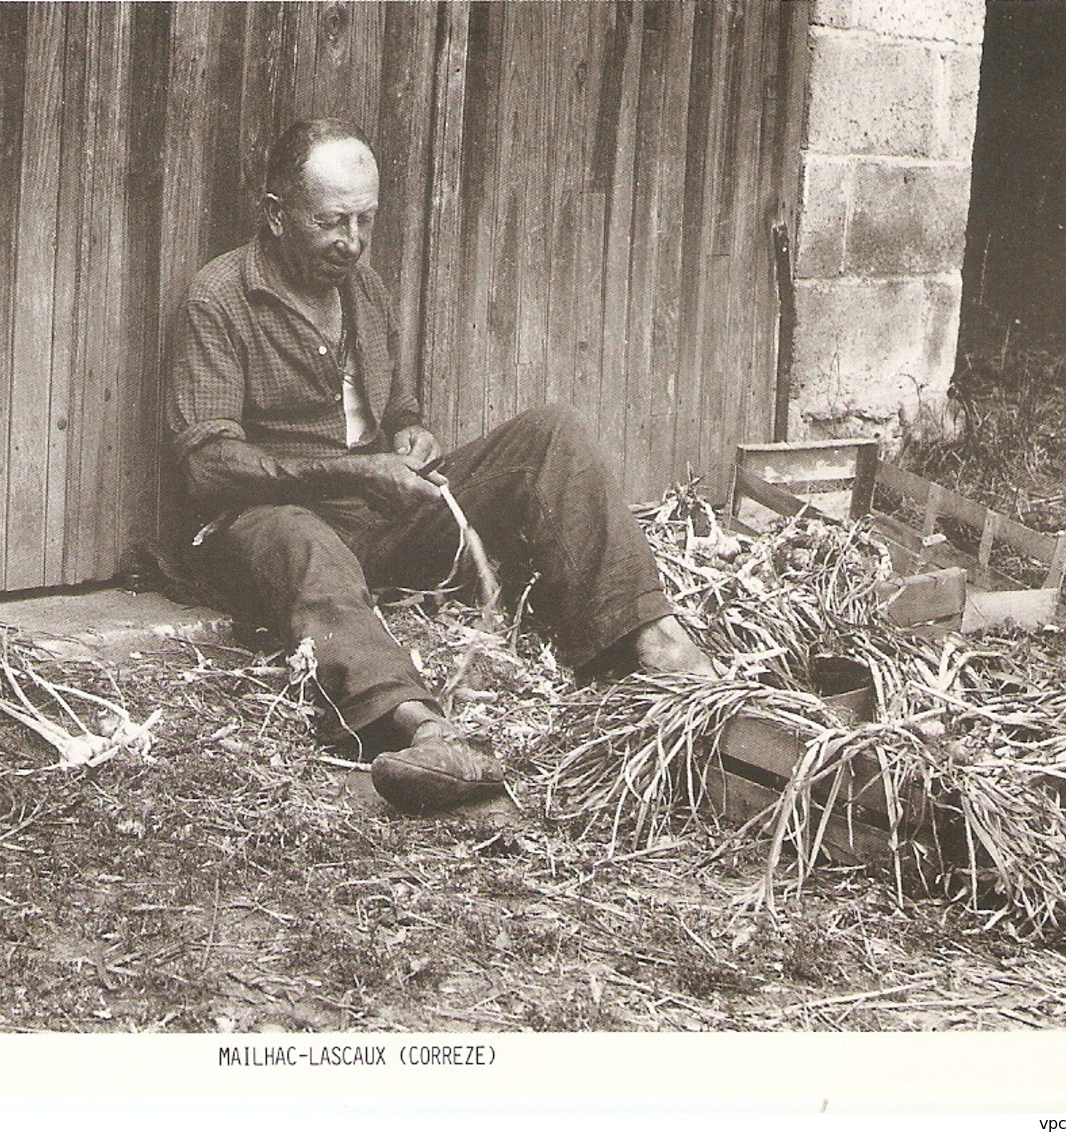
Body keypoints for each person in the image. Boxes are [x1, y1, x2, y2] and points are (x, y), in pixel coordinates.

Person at [166, 119, 715, 814]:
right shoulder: (219, 300)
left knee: (553, 432)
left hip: (376, 522)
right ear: (275, 216)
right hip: (271, 530)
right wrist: (350, 473)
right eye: (332, 222)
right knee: (303, 540)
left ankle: (650, 642)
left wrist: (411, 437)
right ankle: (426, 735)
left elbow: (398, 409)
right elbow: (208, 466)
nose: (354, 243)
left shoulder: (361, 288)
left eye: (366, 220)